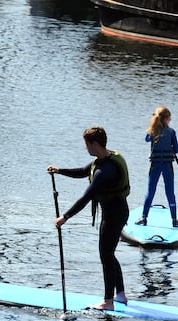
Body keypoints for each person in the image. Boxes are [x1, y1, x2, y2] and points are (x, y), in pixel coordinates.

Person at [47, 126, 130, 311]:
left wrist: (65, 217)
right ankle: (121, 295)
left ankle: (108, 301)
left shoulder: (105, 170)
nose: (85, 148)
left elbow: (86, 197)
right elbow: (82, 171)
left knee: (106, 254)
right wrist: (59, 170)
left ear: (93, 143)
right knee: (109, 253)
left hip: (114, 215)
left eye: (86, 144)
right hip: (116, 213)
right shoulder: (103, 160)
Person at [136, 106, 178, 227]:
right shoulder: (172, 132)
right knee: (170, 193)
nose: (170, 121)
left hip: (155, 166)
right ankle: (174, 220)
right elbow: (176, 150)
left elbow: (146, 139)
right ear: (166, 119)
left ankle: (144, 218)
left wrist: (153, 127)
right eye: (169, 118)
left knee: (150, 192)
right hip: (167, 166)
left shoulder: (152, 131)